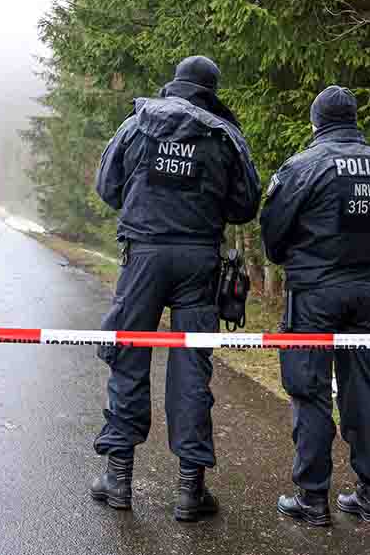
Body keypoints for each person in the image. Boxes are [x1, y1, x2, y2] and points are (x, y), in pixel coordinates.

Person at [90, 55, 261, 522]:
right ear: (211, 90)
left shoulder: (138, 123)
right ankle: (189, 490)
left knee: (129, 355)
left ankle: (119, 479)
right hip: (198, 263)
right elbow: (247, 204)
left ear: (175, 84)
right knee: (191, 368)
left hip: (142, 257)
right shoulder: (224, 135)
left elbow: (108, 187)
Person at [259, 86, 370, 526]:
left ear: (315, 122)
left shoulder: (303, 167)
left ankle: (312, 497)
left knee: (310, 390)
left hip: (314, 295)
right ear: (353, 119)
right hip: (365, 291)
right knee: (363, 389)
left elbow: (273, 234)